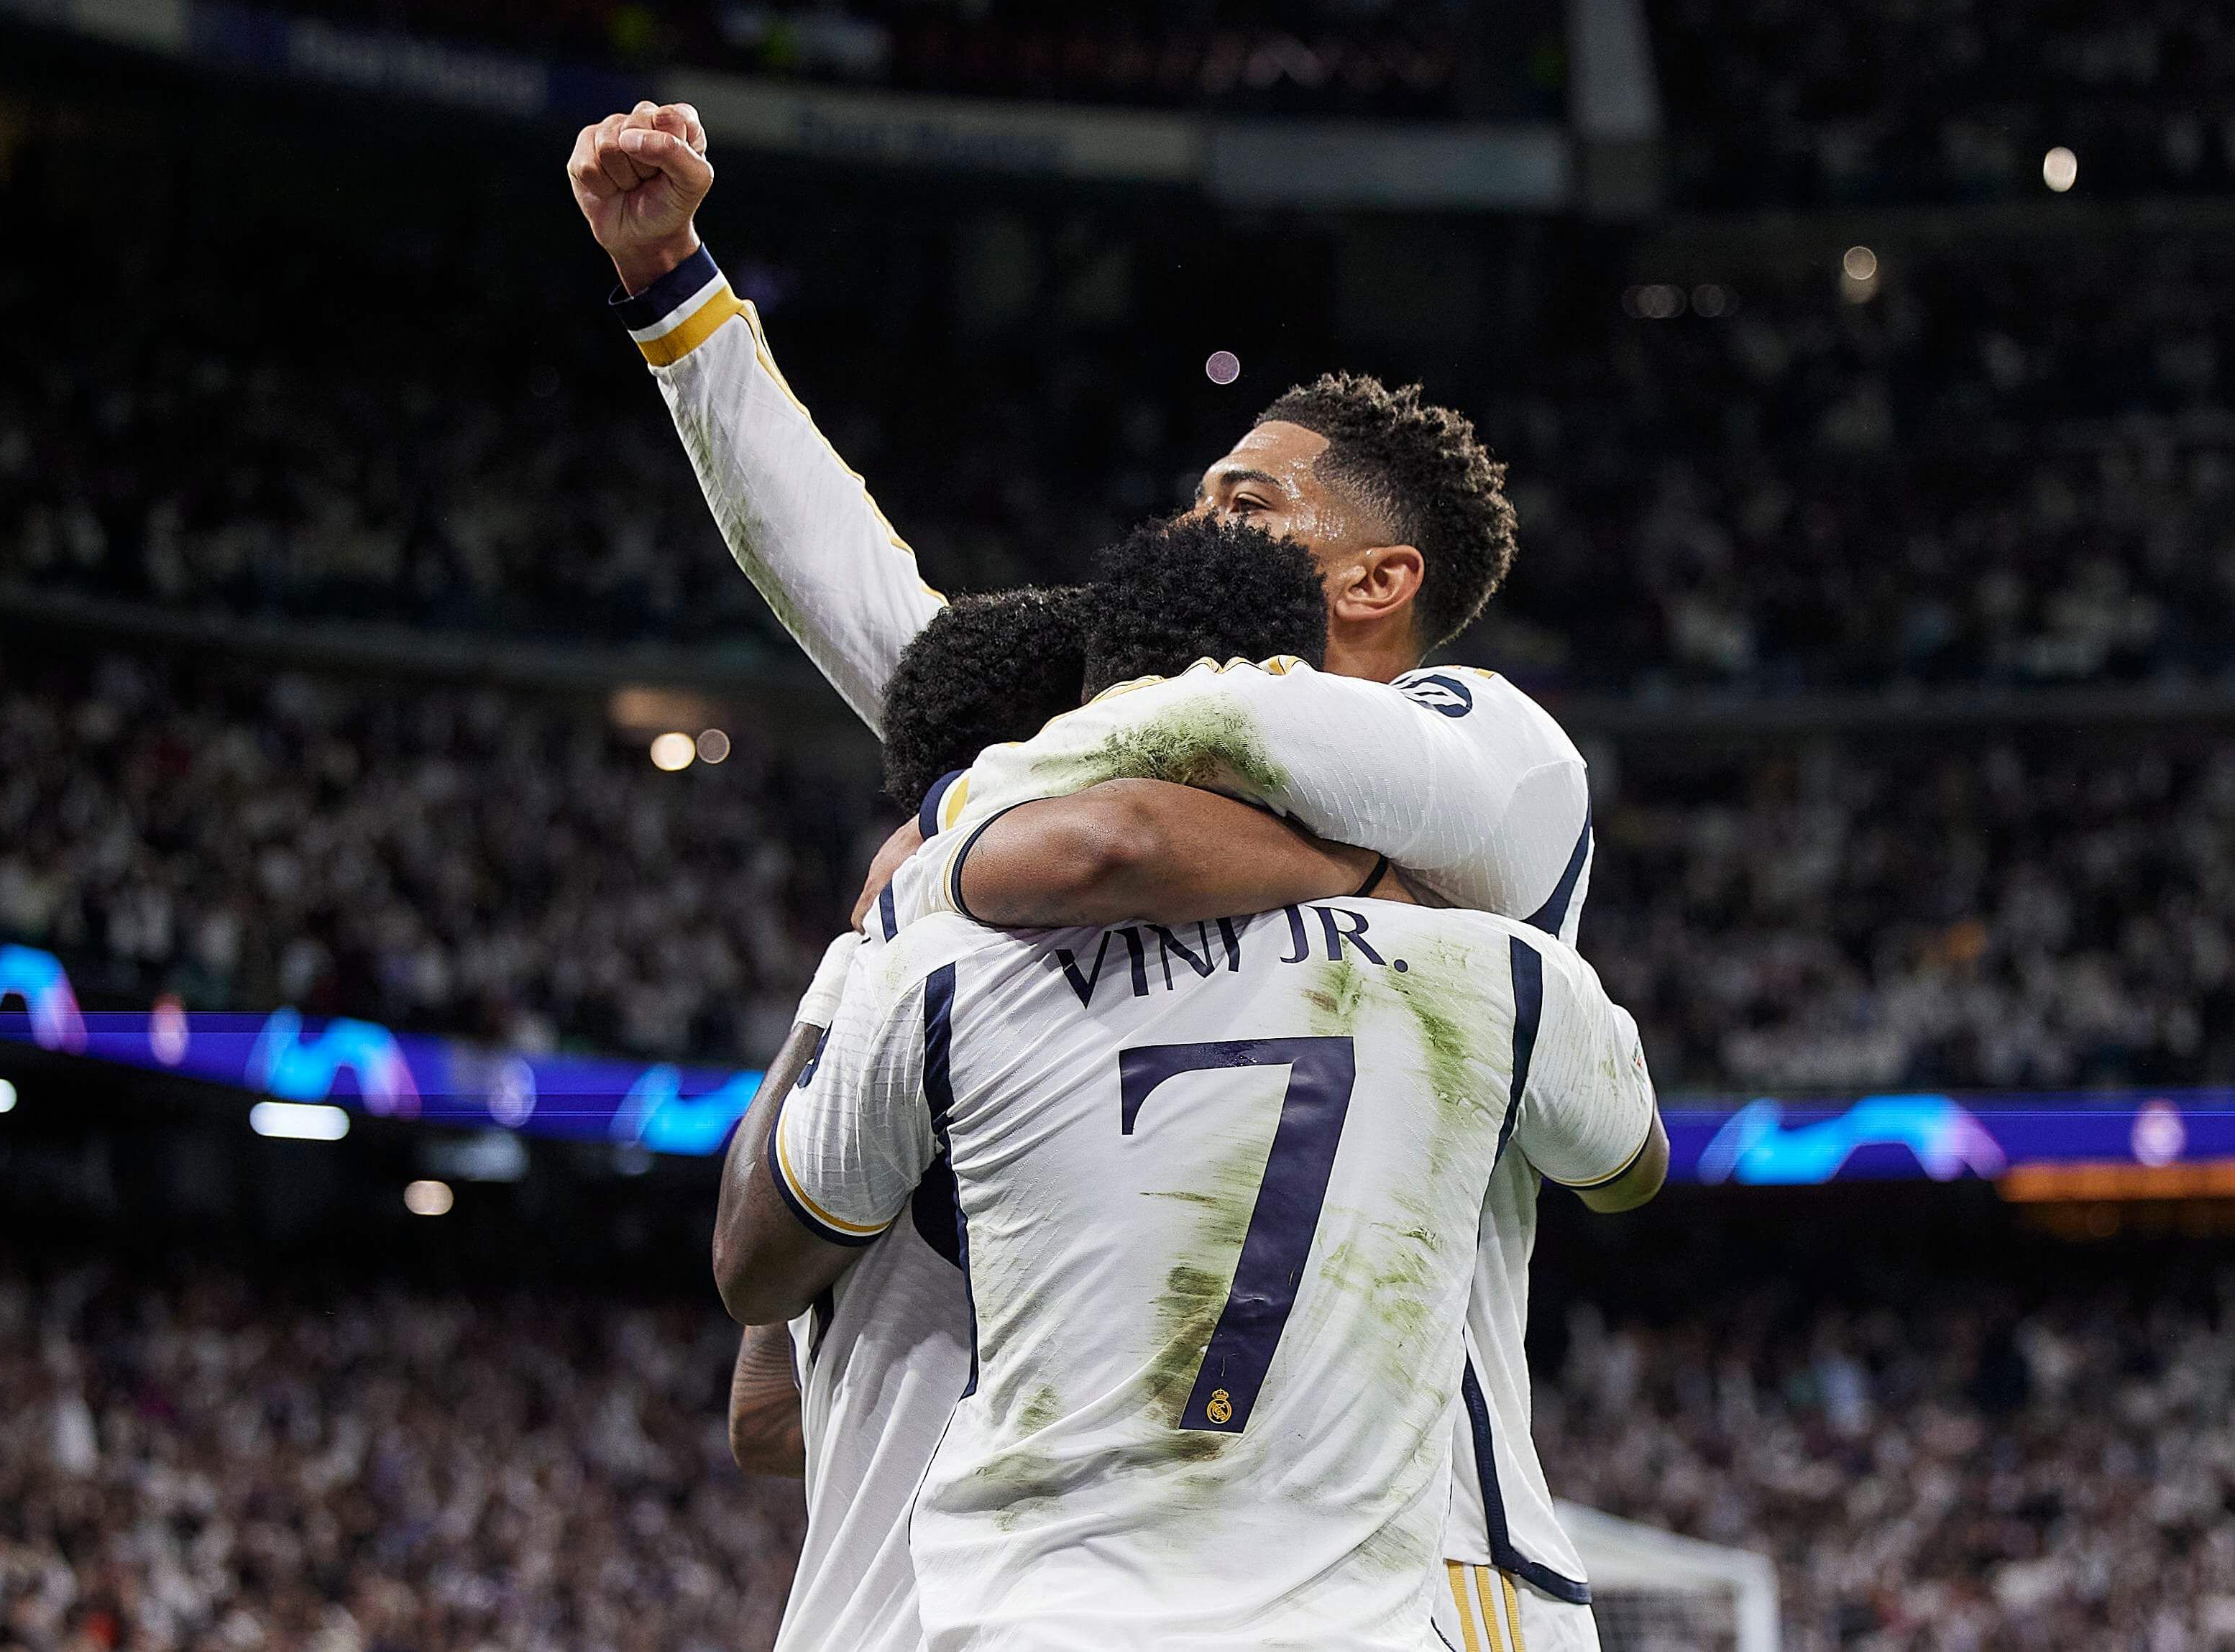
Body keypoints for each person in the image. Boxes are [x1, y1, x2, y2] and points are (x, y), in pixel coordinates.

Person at [573, 99, 1660, 1648]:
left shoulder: (1483, 738)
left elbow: (1133, 805)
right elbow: (879, 618)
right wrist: (679, 298)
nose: (1185, 522)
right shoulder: (1090, 775)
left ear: (1379, 578)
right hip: (1143, 1561)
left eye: (1244, 504)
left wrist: (960, 823)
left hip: (1434, 1553)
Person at [715, 658, 1660, 1645]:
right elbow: (1632, 1164)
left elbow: (763, 1389)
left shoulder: (917, 985)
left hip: (949, 1617)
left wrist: (839, 980)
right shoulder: (1466, 969)